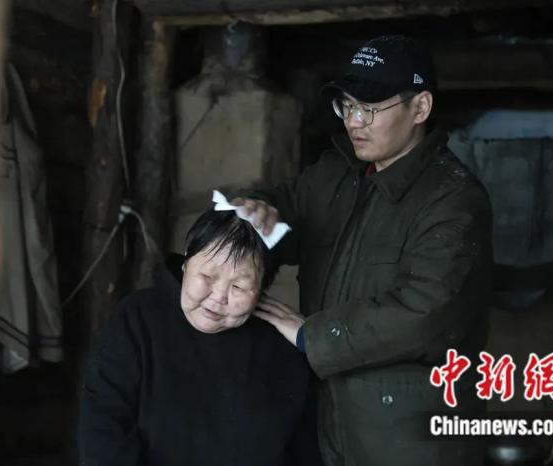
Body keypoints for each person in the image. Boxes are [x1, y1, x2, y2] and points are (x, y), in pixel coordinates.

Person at [235, 35, 493, 465]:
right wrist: (254, 212)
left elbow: (424, 311)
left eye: (369, 108)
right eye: (347, 106)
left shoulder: (452, 199)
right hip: (332, 421)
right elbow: (286, 208)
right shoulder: (336, 174)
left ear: (420, 108)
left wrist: (314, 336)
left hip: (409, 439)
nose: (354, 121)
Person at [78, 209, 317, 466]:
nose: (218, 296)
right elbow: (103, 429)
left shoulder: (280, 350)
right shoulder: (138, 319)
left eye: (239, 286)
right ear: (186, 262)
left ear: (261, 290)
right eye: (207, 276)